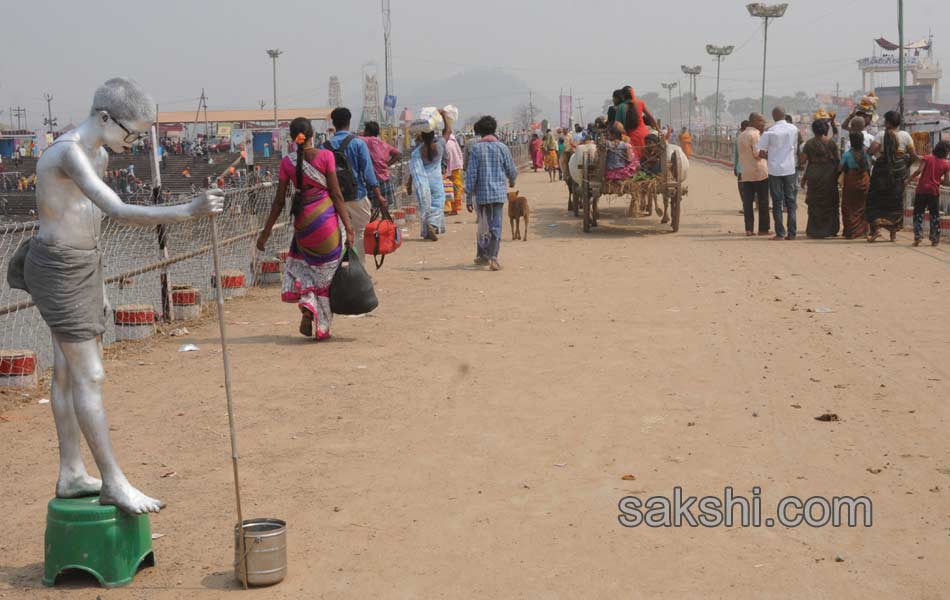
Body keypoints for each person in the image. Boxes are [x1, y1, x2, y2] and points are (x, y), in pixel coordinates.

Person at [6, 78, 223, 514]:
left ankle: (71, 472)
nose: (135, 143)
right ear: (105, 118)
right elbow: (117, 210)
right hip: (58, 267)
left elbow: (91, 222)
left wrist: (100, 282)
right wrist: (186, 211)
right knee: (91, 375)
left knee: (68, 374)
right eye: (132, 134)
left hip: (84, 265)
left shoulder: (101, 153)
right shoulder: (67, 151)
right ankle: (113, 481)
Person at [256, 117, 353, 339]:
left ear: (292, 138)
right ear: (312, 136)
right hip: (325, 223)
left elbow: (279, 202)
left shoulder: (287, 163)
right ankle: (321, 325)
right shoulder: (326, 156)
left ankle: (309, 306)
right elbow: (337, 195)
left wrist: (265, 233)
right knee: (326, 276)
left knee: (308, 267)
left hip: (303, 225)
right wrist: (349, 226)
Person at [325, 107, 386, 262]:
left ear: (334, 123)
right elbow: (368, 172)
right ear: (349, 122)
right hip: (357, 194)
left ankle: (340, 272)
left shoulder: (324, 147)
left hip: (334, 198)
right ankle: (360, 271)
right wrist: (378, 195)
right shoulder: (357, 144)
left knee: (340, 233)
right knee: (360, 232)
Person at [465, 115, 517, 271]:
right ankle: (493, 257)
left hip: (481, 195)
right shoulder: (502, 147)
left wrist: (468, 196)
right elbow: (511, 170)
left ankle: (482, 254)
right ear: (494, 129)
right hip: (499, 194)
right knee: (496, 226)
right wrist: (512, 181)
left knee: (483, 224)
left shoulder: (476, 149)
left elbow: (471, 174)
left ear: (480, 132)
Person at [866, 110, 918, 242]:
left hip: (881, 173)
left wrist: (876, 160)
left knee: (876, 200)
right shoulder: (906, 135)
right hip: (898, 173)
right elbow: (913, 156)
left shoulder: (881, 135)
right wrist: (904, 166)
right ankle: (893, 233)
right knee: (895, 201)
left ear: (888, 122)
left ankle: (876, 230)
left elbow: (871, 151)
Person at [757, 107, 800, 240]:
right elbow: (795, 147)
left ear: (773, 116)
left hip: (775, 169)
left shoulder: (770, 131)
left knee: (777, 201)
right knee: (791, 201)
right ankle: (792, 233)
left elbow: (760, 152)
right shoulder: (793, 129)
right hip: (790, 168)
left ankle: (780, 233)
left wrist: (770, 157)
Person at [799, 119, 841, 238]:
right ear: (826, 130)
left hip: (814, 175)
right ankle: (831, 229)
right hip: (829, 176)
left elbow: (803, 161)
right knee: (830, 202)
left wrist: (804, 178)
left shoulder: (809, 144)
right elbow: (838, 161)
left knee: (815, 203)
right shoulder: (832, 143)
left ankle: (814, 230)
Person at [407, 127, 446, 241]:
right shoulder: (439, 147)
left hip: (422, 182)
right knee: (438, 204)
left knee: (425, 205)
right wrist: (444, 115)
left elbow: (414, 169)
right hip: (436, 182)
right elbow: (447, 131)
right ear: (433, 136)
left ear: (422, 137)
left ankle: (427, 228)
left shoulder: (417, 152)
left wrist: (409, 184)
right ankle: (432, 225)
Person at [908, 140, 950, 246]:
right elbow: (946, 181)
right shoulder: (946, 164)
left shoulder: (927, 158)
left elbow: (919, 170)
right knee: (934, 215)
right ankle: (935, 239)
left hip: (921, 190)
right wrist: (936, 181)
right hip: (934, 192)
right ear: (946, 152)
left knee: (918, 213)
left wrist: (909, 179)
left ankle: (918, 237)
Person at [737, 114, 771, 236]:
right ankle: (763, 229)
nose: (763, 123)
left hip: (746, 173)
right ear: (755, 122)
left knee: (747, 203)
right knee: (763, 201)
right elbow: (757, 154)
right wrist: (771, 156)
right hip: (759, 172)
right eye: (761, 121)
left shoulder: (741, 135)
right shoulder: (755, 134)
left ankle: (749, 229)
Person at [360, 120, 402, 210]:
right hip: (385, 179)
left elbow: (352, 138)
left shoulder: (367, 141)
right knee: (385, 210)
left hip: (373, 182)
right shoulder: (383, 144)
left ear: (367, 131)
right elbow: (398, 153)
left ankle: (375, 224)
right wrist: (387, 164)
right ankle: (386, 223)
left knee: (370, 210)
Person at [839, 131, 871, 239]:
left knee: (848, 206)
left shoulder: (847, 154)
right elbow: (869, 167)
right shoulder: (866, 154)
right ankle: (862, 231)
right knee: (862, 206)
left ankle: (850, 231)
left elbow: (840, 168)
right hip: (864, 182)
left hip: (851, 182)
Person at [443, 119, 465, 215]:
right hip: (456, 167)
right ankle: (455, 208)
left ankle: (450, 208)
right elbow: (459, 153)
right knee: (456, 187)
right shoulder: (454, 141)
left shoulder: (446, 143)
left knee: (447, 188)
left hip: (448, 169)